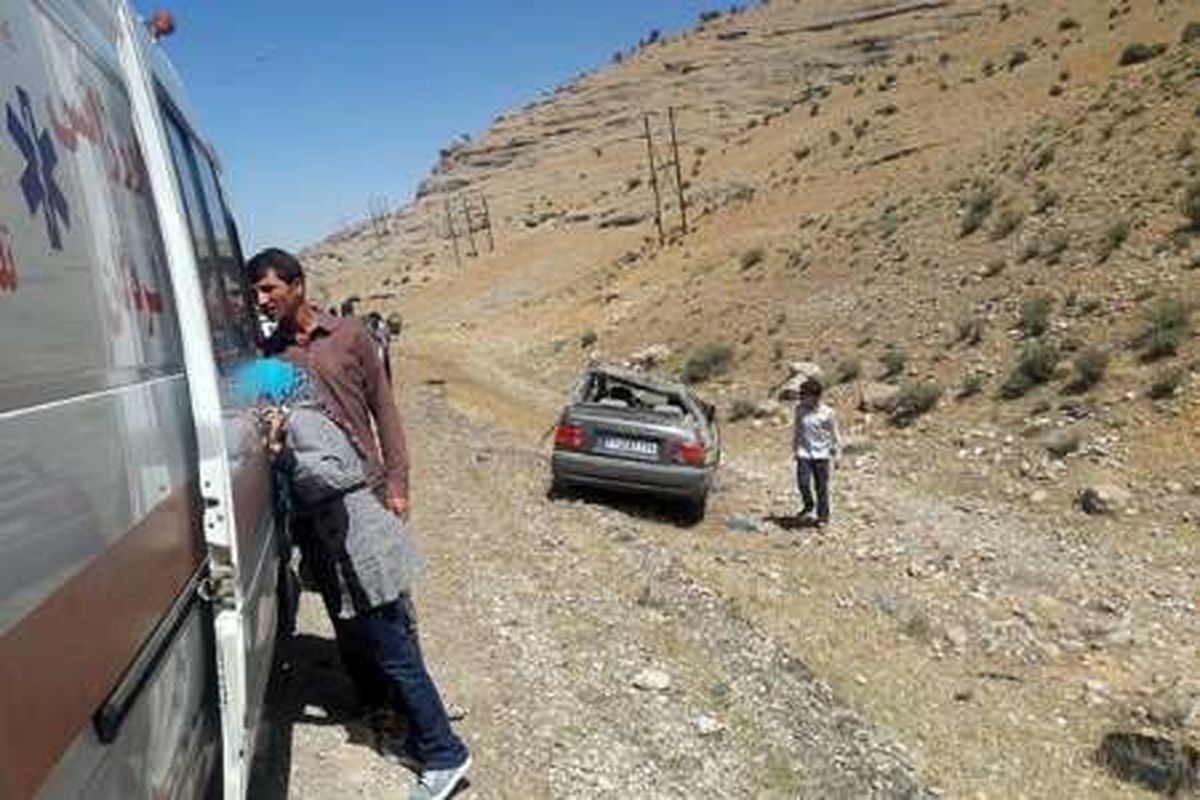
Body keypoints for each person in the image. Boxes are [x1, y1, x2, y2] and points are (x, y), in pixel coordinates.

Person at [236, 359, 470, 799]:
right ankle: (425, 741)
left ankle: (445, 755)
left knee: (398, 657)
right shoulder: (306, 415)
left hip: (363, 553)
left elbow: (337, 474)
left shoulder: (301, 422)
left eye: (256, 401)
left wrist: (283, 455)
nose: (255, 410)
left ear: (272, 396)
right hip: (363, 549)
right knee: (395, 651)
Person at [793, 377, 840, 527]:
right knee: (803, 483)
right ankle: (808, 505)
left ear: (815, 396)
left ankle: (823, 517)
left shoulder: (828, 413)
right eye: (801, 395)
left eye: (804, 395)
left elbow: (834, 433)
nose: (802, 398)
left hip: (822, 455)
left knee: (821, 487)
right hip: (804, 453)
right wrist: (795, 448)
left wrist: (837, 454)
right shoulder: (799, 409)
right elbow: (797, 429)